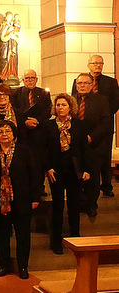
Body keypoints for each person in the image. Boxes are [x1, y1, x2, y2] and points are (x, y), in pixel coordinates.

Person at [0, 120, 40, 280]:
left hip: (22, 199)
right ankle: (3, 265)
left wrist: (35, 197)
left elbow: (34, 175)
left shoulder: (25, 151)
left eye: (7, 131)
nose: (4, 134)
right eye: (0, 132)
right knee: (1, 235)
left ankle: (23, 267)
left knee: (23, 236)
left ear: (14, 134)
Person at [43, 93, 90, 254]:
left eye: (63, 105)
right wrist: (47, 168)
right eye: (58, 105)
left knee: (74, 205)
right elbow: (44, 150)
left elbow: (85, 149)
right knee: (57, 205)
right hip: (56, 170)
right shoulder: (49, 125)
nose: (60, 108)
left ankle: (75, 239)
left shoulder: (79, 125)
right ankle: (55, 241)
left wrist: (86, 170)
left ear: (70, 107)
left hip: (74, 169)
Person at [71, 55, 119, 198]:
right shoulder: (79, 81)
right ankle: (84, 186)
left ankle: (106, 185)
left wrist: (102, 113)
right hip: (83, 126)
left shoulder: (111, 82)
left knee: (104, 157)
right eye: (95, 63)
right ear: (88, 65)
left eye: (100, 63)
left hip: (104, 126)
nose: (98, 65)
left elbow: (116, 102)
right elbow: (74, 99)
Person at [72, 73, 112, 217]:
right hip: (76, 145)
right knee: (77, 175)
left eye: (85, 83)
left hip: (93, 144)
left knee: (93, 176)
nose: (82, 86)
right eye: (79, 83)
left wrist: (91, 137)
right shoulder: (72, 100)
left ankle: (91, 205)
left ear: (91, 85)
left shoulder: (101, 100)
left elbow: (106, 122)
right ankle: (79, 203)